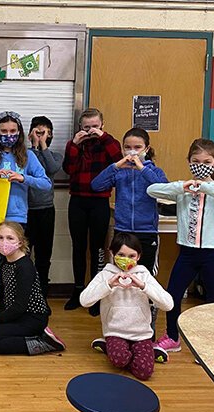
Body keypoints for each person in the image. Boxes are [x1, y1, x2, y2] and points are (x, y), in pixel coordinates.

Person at [147, 138, 214, 352]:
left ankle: (209, 345)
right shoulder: (183, 189)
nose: (200, 164)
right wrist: (182, 187)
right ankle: (173, 337)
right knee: (172, 296)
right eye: (195, 160)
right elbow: (152, 190)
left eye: (206, 161)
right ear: (188, 161)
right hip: (187, 254)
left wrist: (207, 187)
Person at [91, 127, 168, 334]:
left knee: (146, 281)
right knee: (119, 279)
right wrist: (116, 166)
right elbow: (97, 185)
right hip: (123, 232)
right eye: (127, 147)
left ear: (147, 148)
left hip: (146, 233)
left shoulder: (153, 171)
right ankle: (116, 328)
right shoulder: (119, 170)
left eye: (137, 147)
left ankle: (147, 330)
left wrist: (142, 168)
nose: (132, 152)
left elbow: (163, 190)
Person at [80, 233, 173, 380]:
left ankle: (148, 351)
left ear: (138, 256)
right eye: (121, 255)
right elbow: (84, 301)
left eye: (131, 256)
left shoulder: (144, 275)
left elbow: (168, 304)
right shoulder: (105, 275)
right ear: (112, 253)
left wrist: (144, 287)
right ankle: (111, 347)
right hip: (115, 332)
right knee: (119, 360)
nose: (126, 259)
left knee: (145, 372)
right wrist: (108, 285)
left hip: (141, 334)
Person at [62, 108, 122, 314]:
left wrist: (103, 137)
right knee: (78, 247)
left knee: (97, 248)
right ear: (80, 127)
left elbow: (118, 159)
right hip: (77, 201)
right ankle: (78, 290)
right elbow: (68, 169)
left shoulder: (108, 143)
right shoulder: (74, 144)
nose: (90, 131)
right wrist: (75, 145)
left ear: (102, 125)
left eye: (95, 126)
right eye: (86, 127)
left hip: (100, 202)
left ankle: (96, 293)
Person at [0, 221, 65, 355]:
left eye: (10, 238)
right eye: (0, 238)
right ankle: (20, 335)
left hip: (32, 317)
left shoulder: (24, 267)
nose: (4, 242)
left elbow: (20, 305)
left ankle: (43, 342)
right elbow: (8, 296)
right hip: (16, 313)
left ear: (20, 242)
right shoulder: (6, 262)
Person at [0, 111, 51, 233]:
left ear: (19, 132)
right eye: (4, 131)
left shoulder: (28, 156)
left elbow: (46, 184)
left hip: (17, 216)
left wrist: (23, 178)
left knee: (14, 251)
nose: (8, 135)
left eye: (12, 131)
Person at [26, 116, 63, 298]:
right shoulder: (24, 154)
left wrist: (43, 145)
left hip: (46, 210)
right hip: (25, 211)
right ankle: (24, 293)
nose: (40, 135)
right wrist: (32, 146)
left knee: (43, 254)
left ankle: (42, 293)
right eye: (37, 131)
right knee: (24, 253)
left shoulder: (54, 155)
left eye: (44, 132)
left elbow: (52, 168)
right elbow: (27, 166)